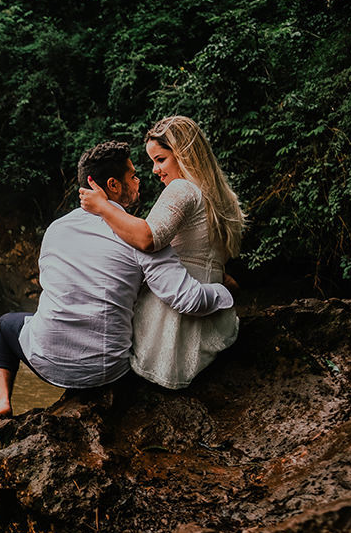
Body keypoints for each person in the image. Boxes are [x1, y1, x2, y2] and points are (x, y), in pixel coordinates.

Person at [0, 140, 235, 423]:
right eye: (133, 176)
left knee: (3, 327)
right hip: (108, 372)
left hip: (48, 361)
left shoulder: (56, 229)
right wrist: (223, 291)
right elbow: (186, 299)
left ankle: (1, 402)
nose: (141, 180)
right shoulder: (141, 238)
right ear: (113, 185)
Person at [78, 116, 245, 389]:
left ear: (184, 153)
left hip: (175, 318)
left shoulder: (182, 189)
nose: (155, 170)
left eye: (161, 159)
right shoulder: (219, 196)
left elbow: (147, 238)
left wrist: (102, 206)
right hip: (209, 310)